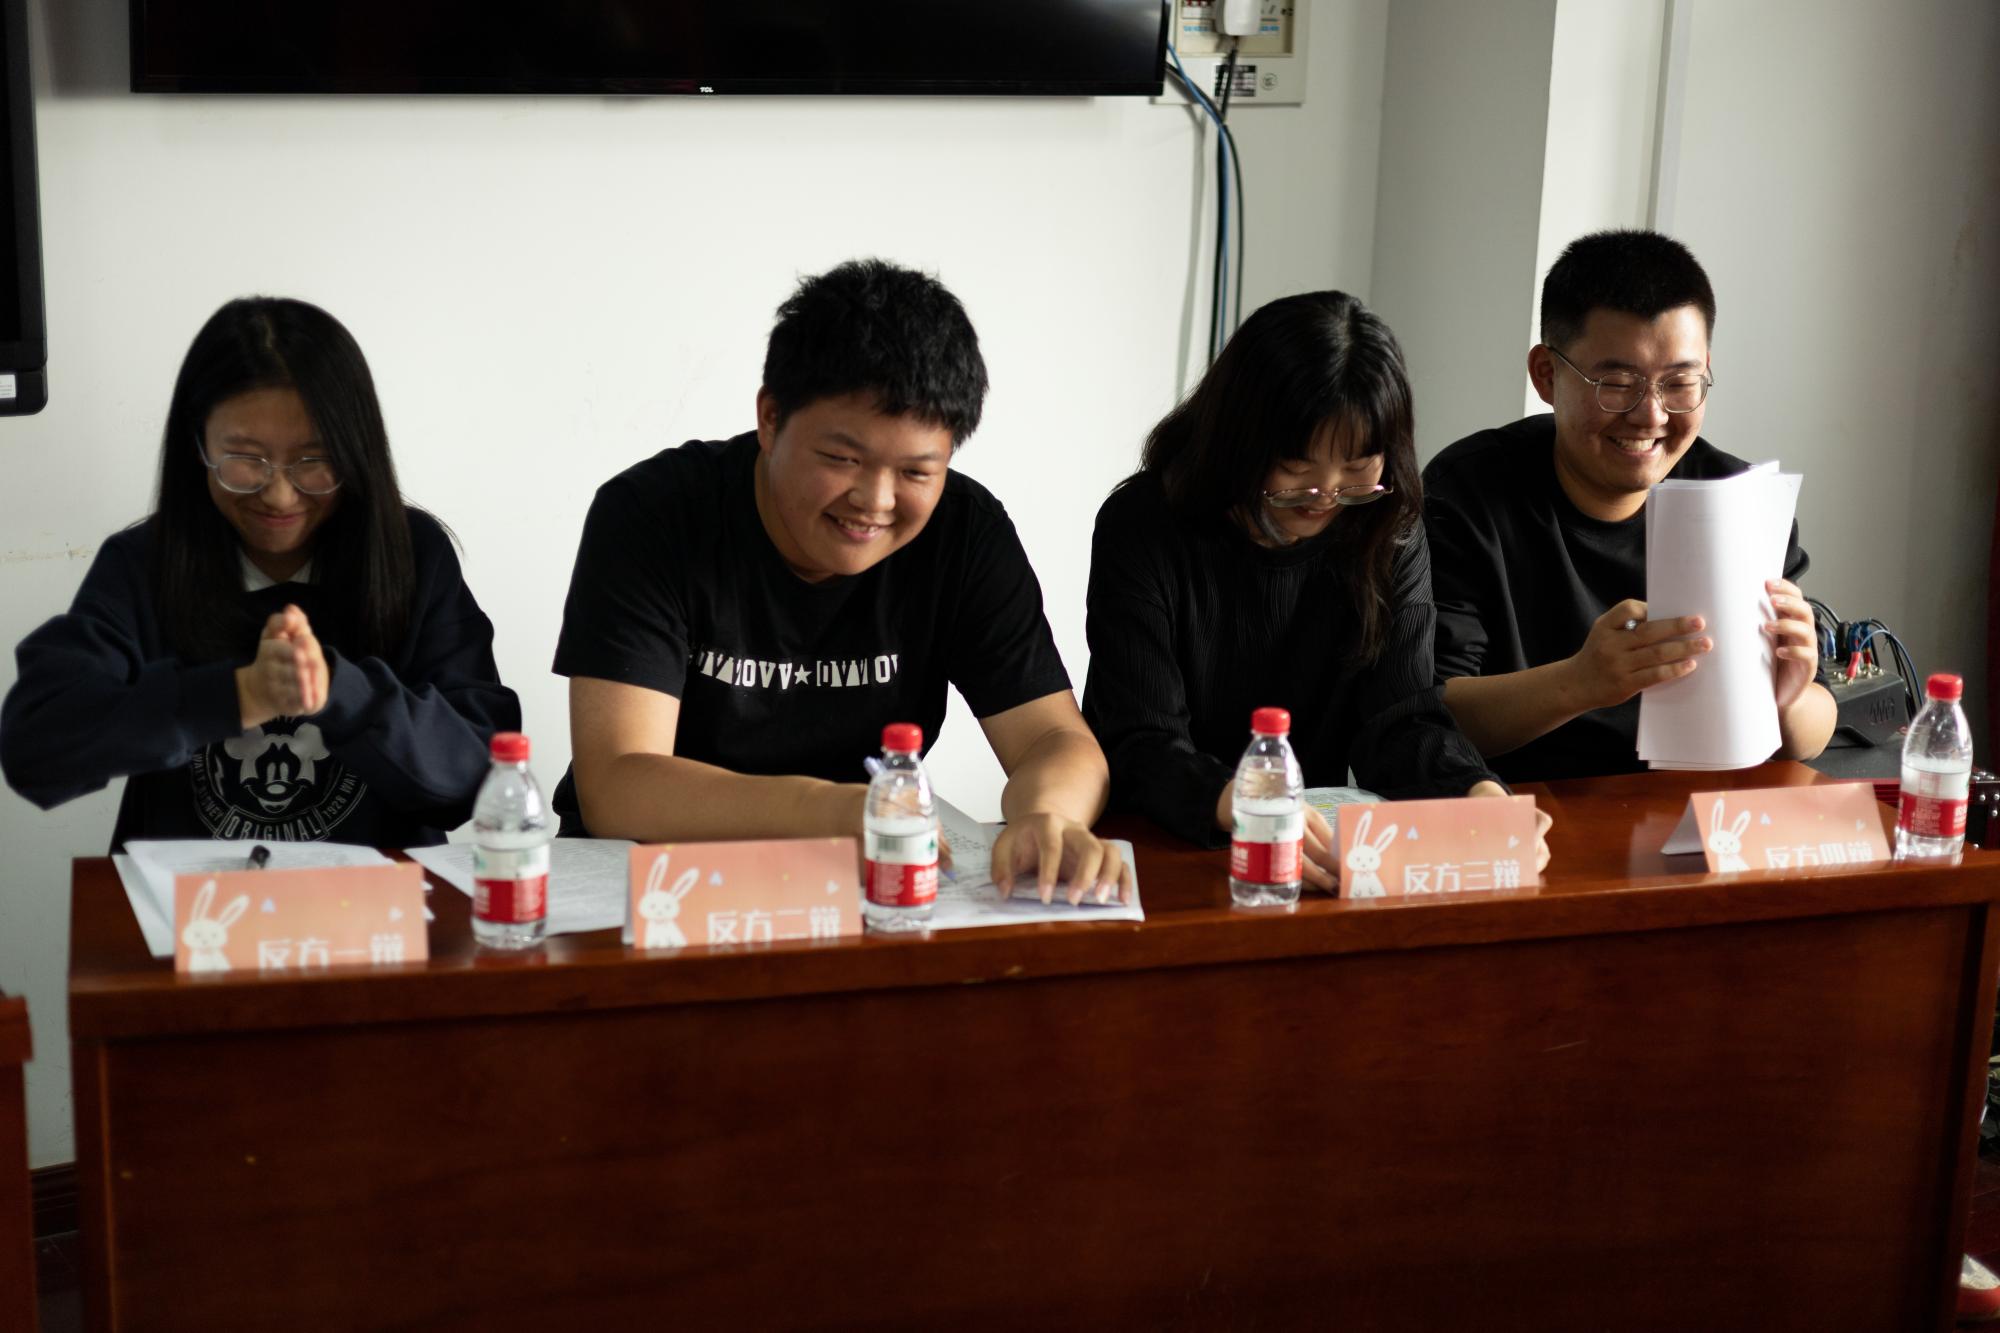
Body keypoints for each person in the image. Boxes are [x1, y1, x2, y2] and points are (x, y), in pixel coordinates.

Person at [552, 258, 1128, 904]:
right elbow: (619, 784)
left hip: (859, 885)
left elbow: (1054, 739)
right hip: (650, 890)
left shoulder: (964, 533)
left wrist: (1048, 816)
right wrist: (824, 811)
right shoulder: (653, 515)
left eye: (916, 473)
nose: (875, 501)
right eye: (842, 458)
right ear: (770, 419)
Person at [0, 297, 520, 850]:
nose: (279, 494)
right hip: (187, 900)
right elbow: (35, 750)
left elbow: (478, 777)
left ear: (357, 451)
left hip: (377, 900)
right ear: (198, 444)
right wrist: (236, 695)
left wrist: (340, 693)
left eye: (313, 460)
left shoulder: (412, 555)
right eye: (246, 459)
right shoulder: (143, 564)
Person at [1082, 290, 1544, 892]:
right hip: (1156, 849)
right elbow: (1138, 738)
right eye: (1297, 467)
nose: (1325, 495)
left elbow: (1401, 718)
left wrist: (1477, 793)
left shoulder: (1387, 527)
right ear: (1239, 439)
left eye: (1356, 467)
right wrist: (1246, 801)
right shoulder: (1146, 524)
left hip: (1302, 854)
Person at [1423, 230, 1835, 784]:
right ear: (1547, 374)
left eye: (1680, 383)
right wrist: (1581, 682)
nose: (1651, 415)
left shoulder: (1737, 500)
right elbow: (1429, 715)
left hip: (1697, 813)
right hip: (1522, 810)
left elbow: (1814, 727)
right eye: (1617, 384)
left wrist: (1788, 697)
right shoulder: (1469, 493)